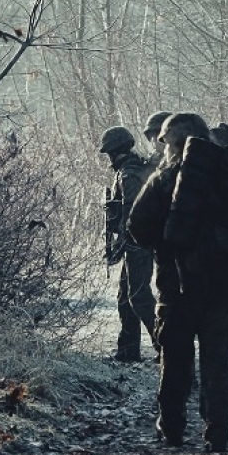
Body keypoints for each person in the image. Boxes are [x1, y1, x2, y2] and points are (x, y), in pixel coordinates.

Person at [128, 113, 228, 453]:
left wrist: (168, 238)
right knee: (217, 359)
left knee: (175, 360)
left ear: (172, 144)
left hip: (176, 288)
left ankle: (172, 429)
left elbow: (138, 228)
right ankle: (218, 431)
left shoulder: (163, 179)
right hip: (222, 288)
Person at [98, 125, 156, 363]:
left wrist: (122, 242)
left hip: (137, 243)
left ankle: (167, 347)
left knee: (139, 297)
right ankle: (128, 351)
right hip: (134, 242)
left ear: (114, 151)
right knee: (126, 297)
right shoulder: (129, 169)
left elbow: (130, 212)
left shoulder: (129, 173)